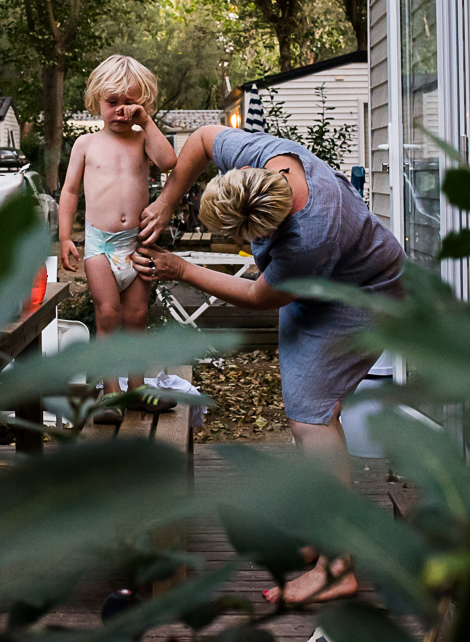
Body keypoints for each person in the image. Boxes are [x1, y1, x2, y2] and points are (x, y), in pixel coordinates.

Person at [134, 125, 403, 603]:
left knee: (312, 420)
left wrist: (182, 269)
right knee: (308, 415)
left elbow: (261, 294)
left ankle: (338, 565)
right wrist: (168, 201)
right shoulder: (262, 156)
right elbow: (199, 141)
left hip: (361, 293)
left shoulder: (311, 235)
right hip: (315, 287)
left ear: (270, 230)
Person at [57, 55, 178, 424]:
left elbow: (169, 161)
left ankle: (138, 389)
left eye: (131, 104)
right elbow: (70, 192)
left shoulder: (143, 140)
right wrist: (65, 236)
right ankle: (111, 393)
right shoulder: (86, 144)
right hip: (100, 246)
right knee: (108, 315)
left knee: (138, 317)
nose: (122, 111)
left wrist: (147, 122)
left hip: (136, 245)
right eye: (113, 103)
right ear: (96, 102)